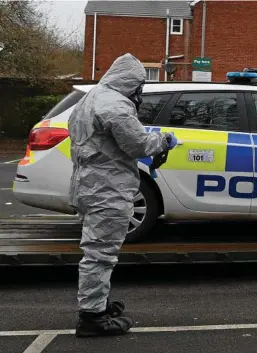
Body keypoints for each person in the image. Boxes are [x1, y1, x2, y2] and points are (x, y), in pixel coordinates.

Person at [68, 53, 178, 337]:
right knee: (100, 253)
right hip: (107, 190)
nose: (140, 92)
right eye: (139, 86)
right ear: (132, 82)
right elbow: (138, 145)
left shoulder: (90, 99)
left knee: (97, 249)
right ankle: (92, 318)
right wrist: (163, 140)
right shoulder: (116, 105)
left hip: (87, 185)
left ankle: (98, 304)